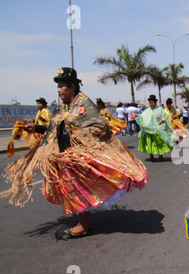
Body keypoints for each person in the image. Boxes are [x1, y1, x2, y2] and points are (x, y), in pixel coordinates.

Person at [1, 67, 148, 238]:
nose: (59, 90)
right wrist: (37, 128)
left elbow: (100, 126)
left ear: (73, 87)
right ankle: (83, 221)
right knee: (74, 188)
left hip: (78, 154)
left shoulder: (84, 105)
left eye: (62, 86)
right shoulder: (63, 107)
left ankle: (83, 225)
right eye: (58, 86)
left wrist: (79, 137)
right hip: (64, 154)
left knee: (79, 189)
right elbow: (55, 127)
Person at [136, 94, 175, 161]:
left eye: (152, 102)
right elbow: (142, 116)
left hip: (157, 129)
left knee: (159, 142)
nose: (151, 104)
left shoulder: (160, 109)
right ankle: (151, 155)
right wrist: (138, 115)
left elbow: (165, 116)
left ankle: (160, 155)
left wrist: (161, 120)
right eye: (150, 102)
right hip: (149, 129)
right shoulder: (147, 111)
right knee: (150, 143)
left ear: (155, 102)